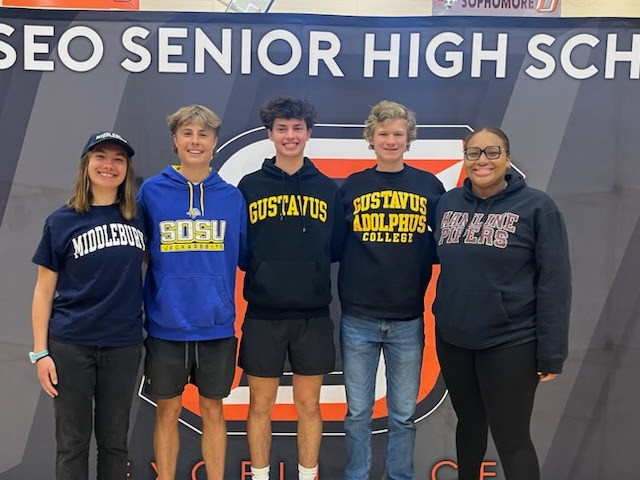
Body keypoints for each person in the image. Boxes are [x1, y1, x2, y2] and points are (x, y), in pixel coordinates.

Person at [432, 127, 571, 480]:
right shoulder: (447, 204)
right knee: (469, 425)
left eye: (492, 152)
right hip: (454, 339)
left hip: (511, 341)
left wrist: (551, 351)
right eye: (473, 153)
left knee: (512, 439)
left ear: (507, 158)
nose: (482, 160)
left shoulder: (538, 207)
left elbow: (554, 282)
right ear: (464, 160)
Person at [237, 96, 345, 480]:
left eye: (297, 127)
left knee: (309, 405)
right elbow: (242, 250)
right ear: (269, 134)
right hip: (264, 313)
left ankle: (307, 474)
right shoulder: (249, 186)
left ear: (308, 133)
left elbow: (335, 248)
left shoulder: (329, 189)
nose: (290, 135)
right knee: (260, 405)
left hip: (312, 314)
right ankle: (261, 476)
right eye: (281, 128)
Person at [137, 105, 247, 480]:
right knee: (166, 412)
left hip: (216, 325)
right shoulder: (151, 191)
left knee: (213, 411)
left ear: (215, 142)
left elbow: (243, 254)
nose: (195, 141)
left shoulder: (232, 197)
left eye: (203, 134)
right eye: (187, 133)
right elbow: (139, 251)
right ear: (175, 140)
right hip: (166, 324)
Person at [338, 100, 445, 480]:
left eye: (398, 133)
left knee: (403, 414)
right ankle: (357, 475)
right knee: (357, 413)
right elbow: (336, 244)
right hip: (358, 318)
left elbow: (444, 245)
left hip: (407, 318)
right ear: (371, 138)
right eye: (383, 133)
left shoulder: (429, 186)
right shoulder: (352, 186)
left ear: (409, 139)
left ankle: (399, 476)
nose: (390, 139)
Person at [31, 131, 144, 479]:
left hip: (122, 345)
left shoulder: (140, 217)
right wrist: (40, 353)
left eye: (118, 159)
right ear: (86, 164)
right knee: (72, 442)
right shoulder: (61, 221)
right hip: (70, 344)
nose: (108, 165)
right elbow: (42, 291)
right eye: (100, 157)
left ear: (126, 168)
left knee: (114, 442)